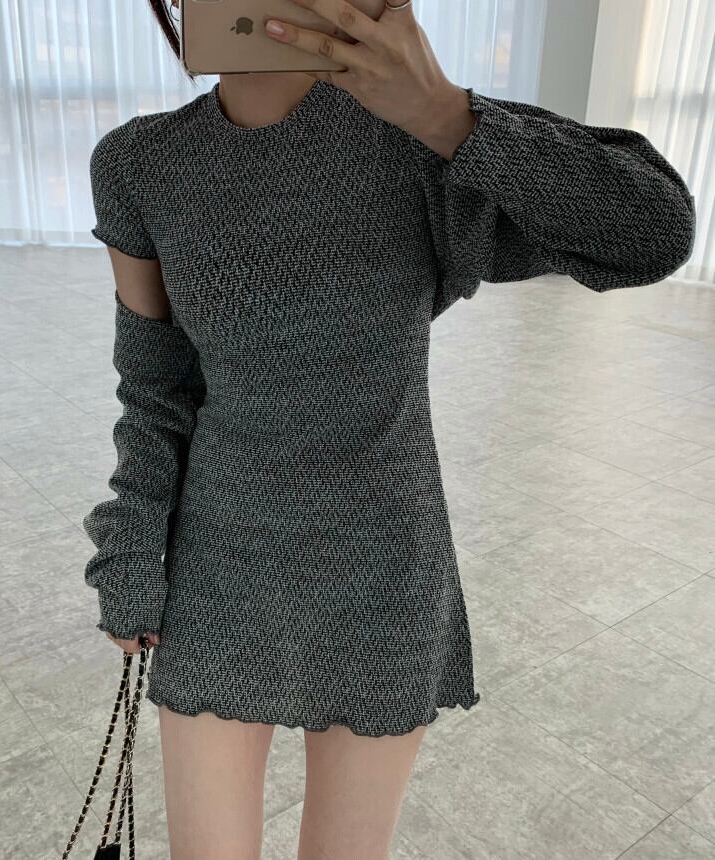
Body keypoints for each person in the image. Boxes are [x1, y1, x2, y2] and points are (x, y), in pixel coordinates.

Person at [82, 1, 696, 858]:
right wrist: (132, 545)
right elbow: (156, 386)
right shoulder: (140, 163)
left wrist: (448, 115)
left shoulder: (418, 141)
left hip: (383, 569)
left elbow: (655, 232)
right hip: (218, 564)